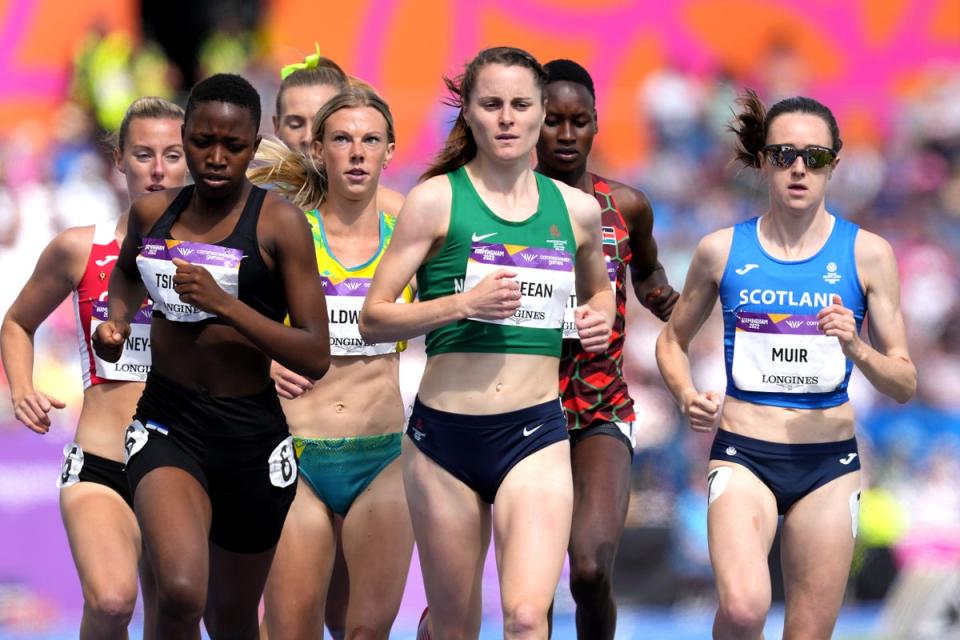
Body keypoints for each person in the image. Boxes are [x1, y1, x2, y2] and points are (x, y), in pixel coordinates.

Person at [359, 46, 615, 639]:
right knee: (456, 625)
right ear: (468, 114)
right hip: (444, 440)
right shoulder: (435, 200)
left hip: (535, 434)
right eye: (491, 104)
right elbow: (374, 318)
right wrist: (462, 305)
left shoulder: (576, 211)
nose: (506, 117)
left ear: (541, 114)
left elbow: (600, 294)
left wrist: (597, 315)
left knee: (527, 618)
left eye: (521, 105)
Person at [655, 90, 916, 639]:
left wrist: (857, 348)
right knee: (746, 607)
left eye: (814, 158)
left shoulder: (868, 254)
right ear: (763, 162)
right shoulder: (720, 250)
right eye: (784, 156)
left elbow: (904, 382)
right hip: (744, 455)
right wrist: (684, 394)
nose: (799, 169)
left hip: (829, 464)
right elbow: (672, 342)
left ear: (834, 166)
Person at [92, 73, 330, 640]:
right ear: (186, 136)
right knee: (178, 591)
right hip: (168, 422)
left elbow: (315, 353)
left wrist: (226, 306)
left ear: (254, 145)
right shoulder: (155, 215)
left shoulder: (279, 225)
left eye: (234, 145)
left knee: (231, 618)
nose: (217, 157)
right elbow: (127, 272)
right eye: (202, 142)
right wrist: (118, 321)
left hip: (252, 434)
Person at [0, 97, 186, 640]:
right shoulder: (80, 247)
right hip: (100, 461)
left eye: (173, 154)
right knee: (110, 601)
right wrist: (22, 388)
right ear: (119, 160)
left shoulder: (219, 255)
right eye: (144, 154)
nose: (158, 169)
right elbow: (16, 324)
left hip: (185, 464)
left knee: (175, 612)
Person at [249, 84, 414, 639]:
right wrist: (262, 359)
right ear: (318, 150)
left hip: (385, 456)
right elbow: (217, 320)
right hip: (297, 456)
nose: (358, 151)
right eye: (342, 139)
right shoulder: (285, 231)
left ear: (391, 150)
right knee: (290, 631)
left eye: (371, 140)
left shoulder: (412, 238)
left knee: (365, 632)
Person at [533, 58, 678, 639]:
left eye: (579, 121)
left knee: (590, 571)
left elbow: (647, 269)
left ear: (597, 124)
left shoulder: (628, 206)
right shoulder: (504, 207)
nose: (566, 135)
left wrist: (657, 292)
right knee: (532, 586)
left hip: (600, 405)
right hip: (526, 407)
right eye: (552, 121)